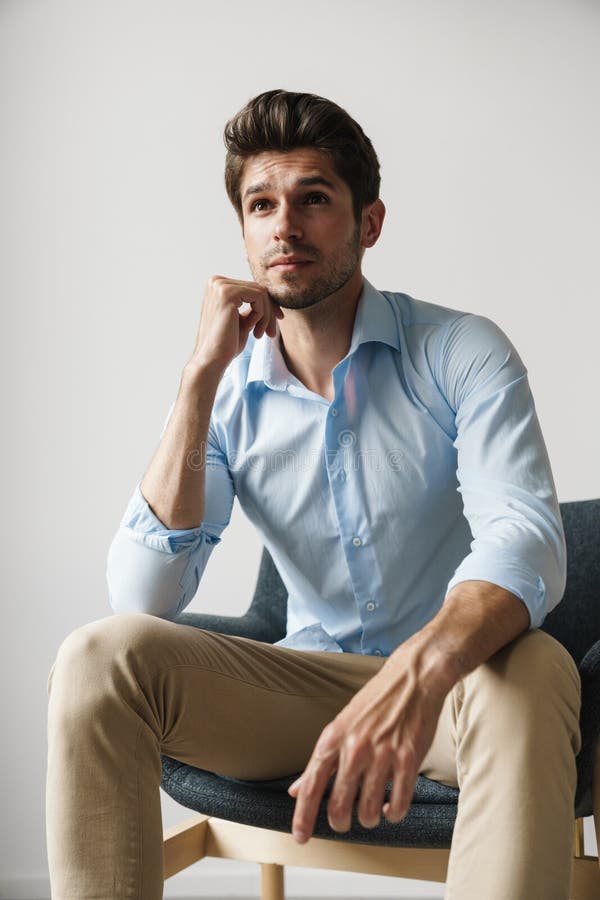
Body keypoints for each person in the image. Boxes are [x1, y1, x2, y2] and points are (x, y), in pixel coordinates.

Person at [45, 89, 581, 900]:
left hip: (454, 694)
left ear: (369, 224)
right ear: (244, 231)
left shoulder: (460, 351)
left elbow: (526, 537)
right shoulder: (224, 390)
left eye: (313, 200)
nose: (284, 226)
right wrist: (197, 382)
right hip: (300, 691)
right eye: (262, 205)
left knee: (538, 663)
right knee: (96, 657)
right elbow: (143, 596)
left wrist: (414, 675)